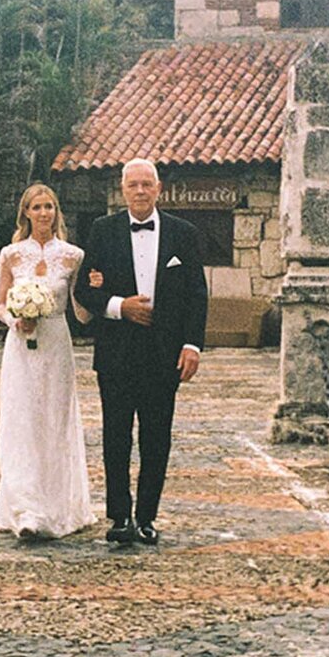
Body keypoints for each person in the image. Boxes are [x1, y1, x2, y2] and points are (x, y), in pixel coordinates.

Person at [75, 159, 208, 545]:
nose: (139, 191)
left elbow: (197, 295)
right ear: (122, 189)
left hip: (165, 354)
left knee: (156, 437)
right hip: (116, 353)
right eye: (132, 185)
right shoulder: (102, 231)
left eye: (146, 184)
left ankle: (147, 517)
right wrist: (120, 306)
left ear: (158, 188)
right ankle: (120, 517)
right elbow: (85, 290)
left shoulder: (183, 234)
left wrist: (192, 344)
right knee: (116, 437)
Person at [0, 183, 95, 541]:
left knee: (54, 417)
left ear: (57, 212)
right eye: (36, 207)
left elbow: (81, 309)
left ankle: (55, 507)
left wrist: (96, 295)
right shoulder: (11, 255)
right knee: (22, 419)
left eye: (49, 206)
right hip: (20, 343)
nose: (44, 213)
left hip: (55, 340)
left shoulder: (72, 256)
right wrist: (15, 320)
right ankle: (25, 507)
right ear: (26, 213)